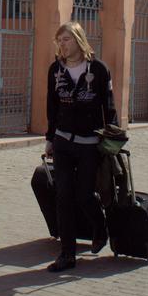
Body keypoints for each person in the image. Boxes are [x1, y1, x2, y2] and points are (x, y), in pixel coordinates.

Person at [44, 21, 117, 273]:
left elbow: (109, 107)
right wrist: (50, 138)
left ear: (78, 40)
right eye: (59, 40)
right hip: (63, 141)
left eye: (66, 39)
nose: (62, 44)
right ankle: (67, 254)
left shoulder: (98, 69)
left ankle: (100, 226)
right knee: (62, 196)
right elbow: (52, 107)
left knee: (84, 194)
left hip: (90, 144)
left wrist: (112, 138)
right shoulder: (56, 70)